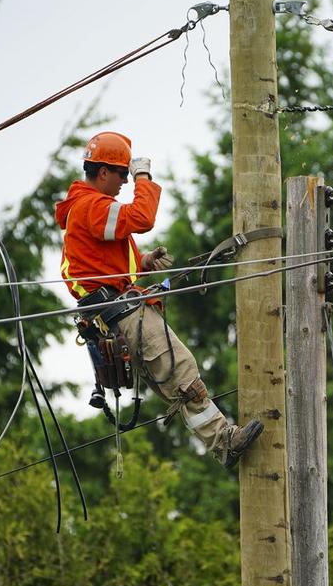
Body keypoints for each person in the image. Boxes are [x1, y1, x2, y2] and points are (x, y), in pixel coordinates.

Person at [54, 131, 263, 469]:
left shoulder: (86, 208)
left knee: (176, 381)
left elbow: (104, 257)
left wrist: (144, 260)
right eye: (121, 174)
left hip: (111, 312)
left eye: (127, 174)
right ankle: (223, 441)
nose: (124, 181)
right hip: (120, 311)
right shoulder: (91, 205)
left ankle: (221, 441)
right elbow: (141, 219)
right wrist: (143, 177)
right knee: (181, 371)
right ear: (103, 172)